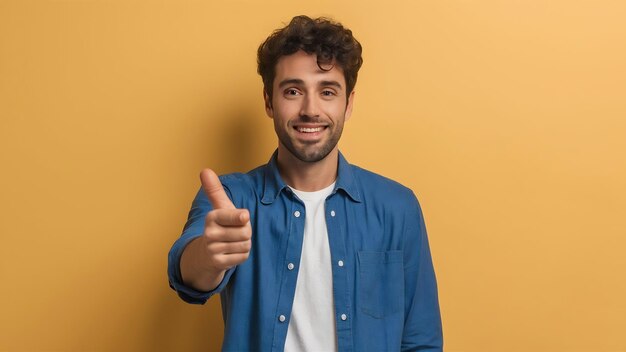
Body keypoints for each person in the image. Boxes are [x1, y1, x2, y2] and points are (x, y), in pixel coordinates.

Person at [168, 15, 443, 351]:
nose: (310, 109)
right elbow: (187, 274)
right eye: (293, 90)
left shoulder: (397, 207)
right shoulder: (232, 198)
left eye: (327, 91)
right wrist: (209, 256)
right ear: (269, 101)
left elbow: (421, 341)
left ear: (349, 103)